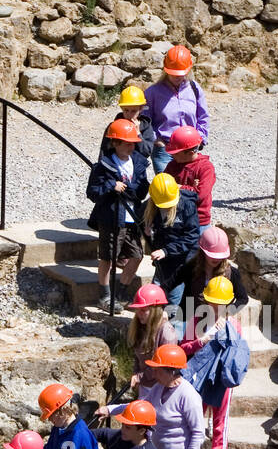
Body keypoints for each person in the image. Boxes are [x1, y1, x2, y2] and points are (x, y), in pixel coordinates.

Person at [181, 275, 246, 449]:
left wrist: (226, 331)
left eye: (220, 303)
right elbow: (182, 349)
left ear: (228, 303)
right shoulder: (197, 320)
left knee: (220, 421)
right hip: (198, 377)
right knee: (194, 420)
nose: (216, 306)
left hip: (222, 378)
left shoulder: (234, 324)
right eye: (212, 301)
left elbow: (236, 353)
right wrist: (200, 342)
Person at [87, 118, 151, 312]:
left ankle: (121, 292)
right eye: (127, 143)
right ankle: (105, 296)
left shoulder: (138, 163)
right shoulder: (103, 166)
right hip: (112, 218)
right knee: (108, 258)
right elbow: (92, 192)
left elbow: (141, 190)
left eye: (133, 143)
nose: (131, 147)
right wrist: (110, 186)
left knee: (137, 255)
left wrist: (133, 189)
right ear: (115, 143)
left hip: (132, 218)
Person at [144, 45, 209, 174]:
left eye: (181, 73)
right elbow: (145, 122)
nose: (177, 77)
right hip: (164, 150)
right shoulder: (152, 93)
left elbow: (203, 117)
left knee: (189, 190)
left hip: (190, 150)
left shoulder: (195, 89)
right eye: (173, 73)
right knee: (167, 191)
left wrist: (200, 138)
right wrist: (156, 140)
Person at [144, 173, 201, 316]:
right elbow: (140, 222)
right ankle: (155, 327)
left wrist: (166, 251)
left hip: (181, 261)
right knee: (156, 295)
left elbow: (192, 236)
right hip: (163, 262)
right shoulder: (150, 207)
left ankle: (172, 331)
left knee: (174, 301)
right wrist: (146, 232)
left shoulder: (187, 206)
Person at [184, 226, 248, 326]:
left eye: (219, 255)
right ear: (202, 251)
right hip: (195, 321)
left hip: (219, 323)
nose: (216, 259)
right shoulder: (191, 268)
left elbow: (243, 298)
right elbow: (175, 284)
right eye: (212, 255)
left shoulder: (232, 273)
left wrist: (227, 313)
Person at [126, 284, 178, 390]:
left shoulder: (166, 332)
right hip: (145, 385)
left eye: (143, 310)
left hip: (160, 386)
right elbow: (137, 356)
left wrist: (140, 377)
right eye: (138, 310)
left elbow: (164, 365)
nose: (139, 314)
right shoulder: (141, 327)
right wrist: (136, 373)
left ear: (155, 311)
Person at [164, 125, 215, 227]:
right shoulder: (172, 165)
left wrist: (179, 188)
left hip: (198, 220)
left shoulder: (206, 168)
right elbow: (163, 185)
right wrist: (192, 188)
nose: (172, 155)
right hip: (175, 217)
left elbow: (200, 194)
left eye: (176, 153)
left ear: (191, 153)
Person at [98, 85, 155, 162]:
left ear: (141, 109)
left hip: (136, 169)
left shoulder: (146, 126)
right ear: (122, 108)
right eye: (126, 110)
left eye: (133, 111)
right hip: (115, 168)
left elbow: (146, 152)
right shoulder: (113, 126)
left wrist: (138, 134)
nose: (129, 114)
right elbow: (104, 151)